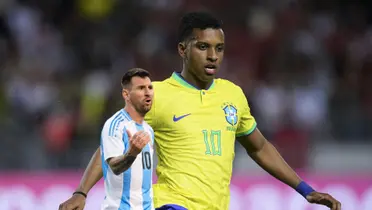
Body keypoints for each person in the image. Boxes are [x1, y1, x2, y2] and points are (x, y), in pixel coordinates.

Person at [59, 12, 341, 210]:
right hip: (170, 203)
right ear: (183, 49)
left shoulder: (232, 94)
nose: (213, 56)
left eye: (219, 48)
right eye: (203, 47)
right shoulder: (156, 94)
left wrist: (306, 190)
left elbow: (259, 147)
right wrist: (81, 192)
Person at [68, 68, 155, 210]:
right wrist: (131, 153)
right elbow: (114, 166)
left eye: (150, 88)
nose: (147, 93)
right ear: (126, 94)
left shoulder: (148, 129)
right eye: (141, 88)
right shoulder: (116, 125)